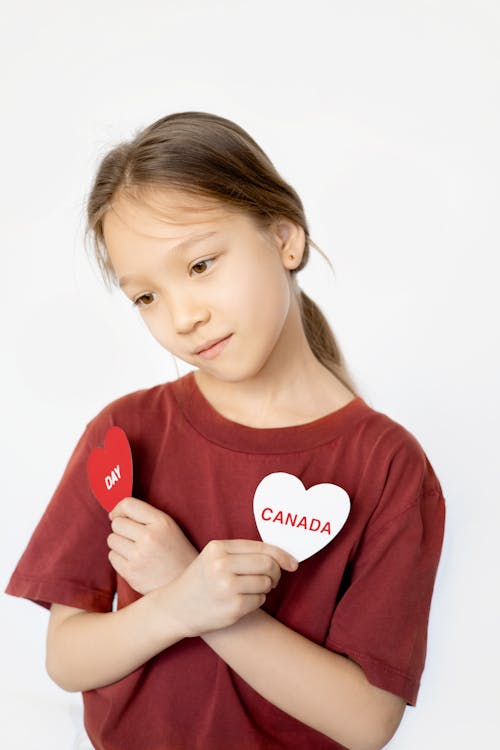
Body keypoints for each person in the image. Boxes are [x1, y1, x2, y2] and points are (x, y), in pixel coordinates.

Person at [5, 111, 446, 750]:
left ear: (285, 238)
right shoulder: (125, 433)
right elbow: (67, 659)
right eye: (145, 297)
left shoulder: (386, 464)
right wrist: (175, 606)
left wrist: (214, 610)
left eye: (202, 264)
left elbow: (366, 721)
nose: (183, 317)